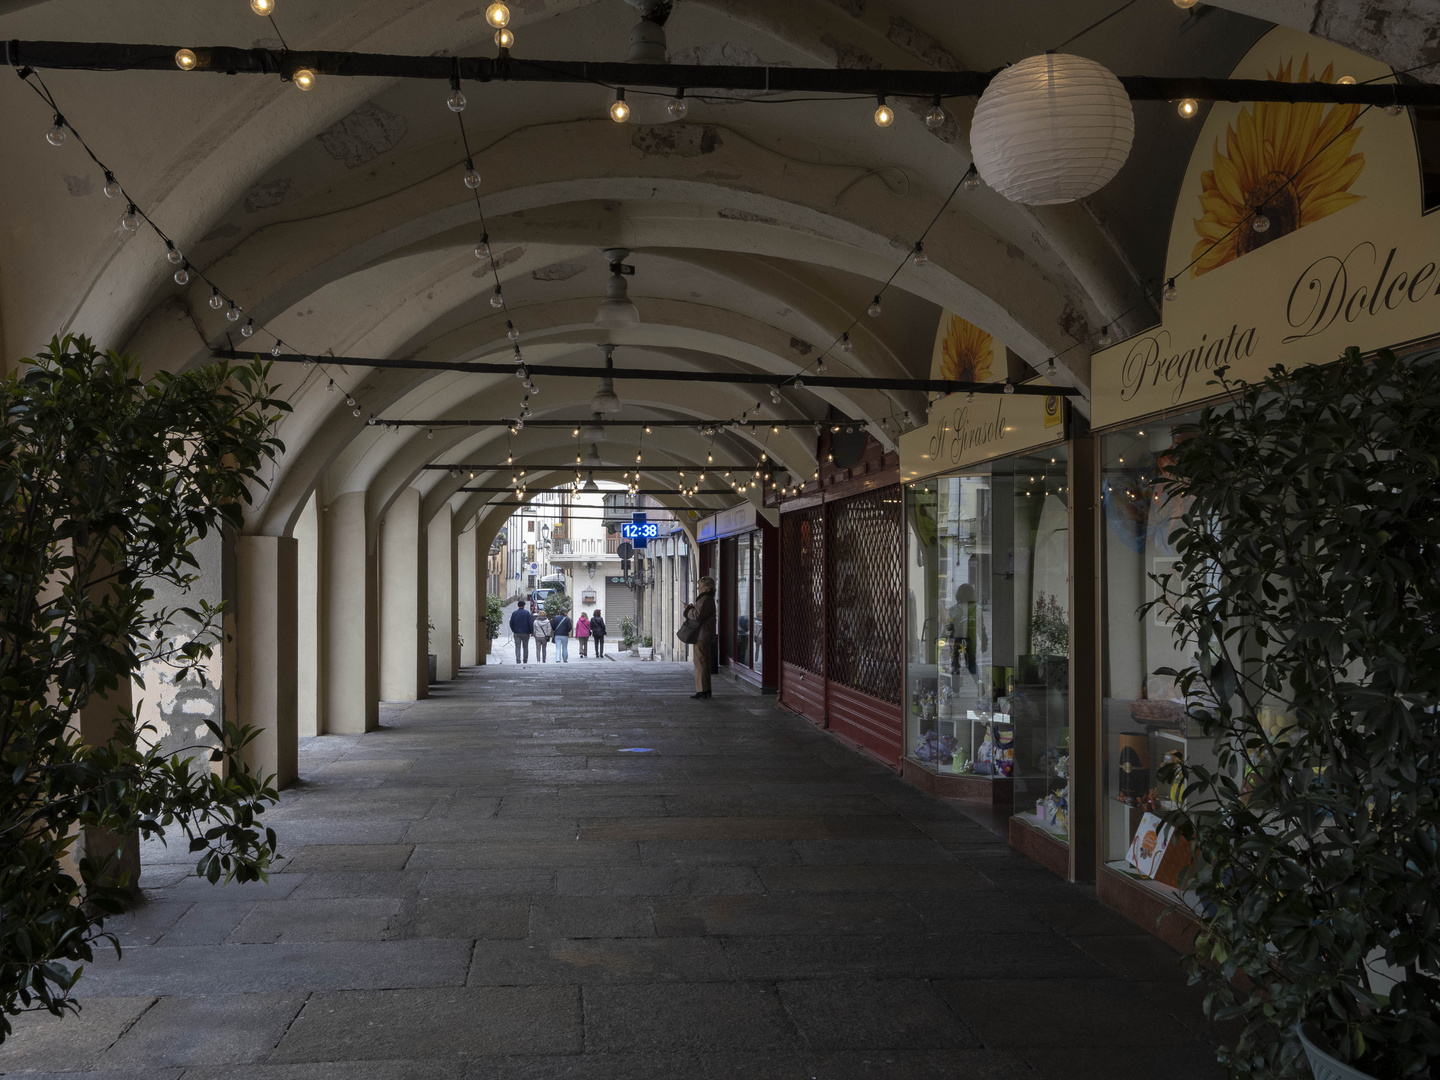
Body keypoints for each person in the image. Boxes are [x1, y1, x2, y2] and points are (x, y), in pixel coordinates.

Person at [685, 576, 718, 698]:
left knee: (700, 663)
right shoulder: (708, 599)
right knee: (704, 662)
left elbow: (697, 615)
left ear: (706, 587)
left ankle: (702, 690)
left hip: (701, 635)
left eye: (700, 585)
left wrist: (688, 610)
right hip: (705, 634)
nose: (698, 587)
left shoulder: (705, 599)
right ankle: (706, 689)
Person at [508, 599, 533, 664]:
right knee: (525, 647)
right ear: (524, 605)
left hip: (516, 632)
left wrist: (514, 630)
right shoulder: (527, 613)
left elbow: (511, 623)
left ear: (518, 605)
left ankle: (518, 659)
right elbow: (530, 623)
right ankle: (525, 660)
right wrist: (531, 631)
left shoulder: (514, 613)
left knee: (517, 647)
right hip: (525, 632)